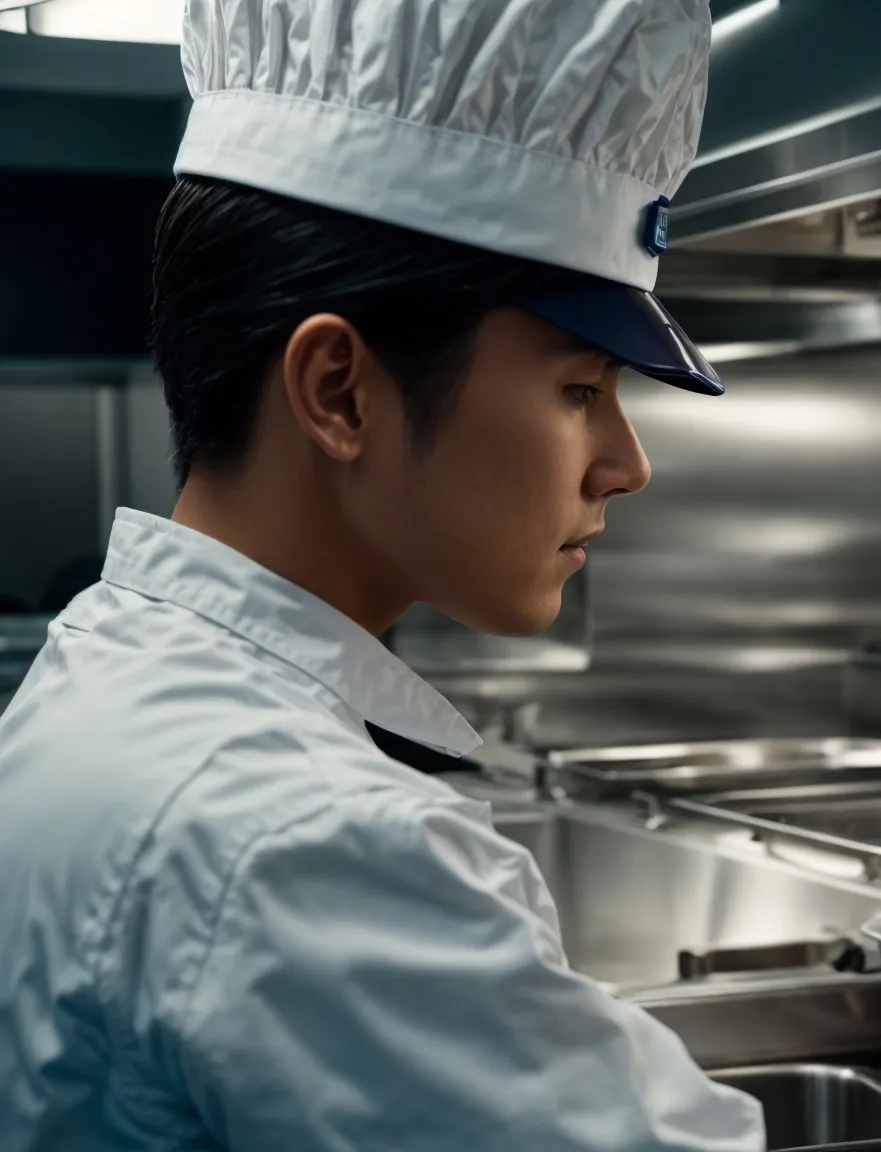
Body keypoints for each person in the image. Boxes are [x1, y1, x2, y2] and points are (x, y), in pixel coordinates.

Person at [0, 1, 765, 1148]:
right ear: (341, 392)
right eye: (580, 388)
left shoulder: (108, 675)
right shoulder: (316, 848)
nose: (626, 464)